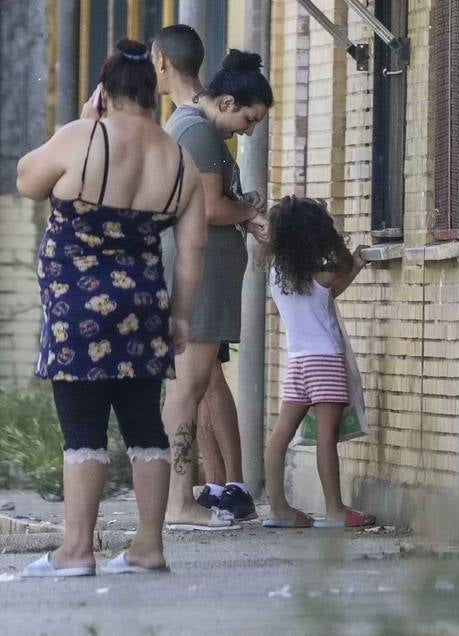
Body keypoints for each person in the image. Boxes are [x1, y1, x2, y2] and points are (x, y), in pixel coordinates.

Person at [15, 39, 206, 577]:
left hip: (78, 310)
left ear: (105, 90)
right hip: (144, 307)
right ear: (152, 91)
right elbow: (192, 250)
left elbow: (27, 180)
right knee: (146, 427)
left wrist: (85, 121)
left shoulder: (83, 136)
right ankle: (148, 546)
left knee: (83, 431)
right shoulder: (180, 161)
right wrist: (180, 316)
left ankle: (76, 550)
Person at [159, 48, 273, 531]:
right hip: (198, 278)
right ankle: (179, 500)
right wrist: (248, 212)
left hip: (202, 277)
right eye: (249, 120)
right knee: (186, 389)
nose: (248, 132)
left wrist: (241, 206)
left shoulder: (198, 130)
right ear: (226, 102)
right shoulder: (200, 132)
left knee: (194, 385)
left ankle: (188, 496)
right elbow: (206, 208)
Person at [262, 197, 377, 529]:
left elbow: (326, 296)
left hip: (297, 362)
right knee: (327, 438)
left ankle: (278, 508)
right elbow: (339, 268)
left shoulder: (277, 275)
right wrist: (348, 254)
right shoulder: (324, 273)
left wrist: (353, 269)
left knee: (280, 436)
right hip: (325, 361)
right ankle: (335, 509)